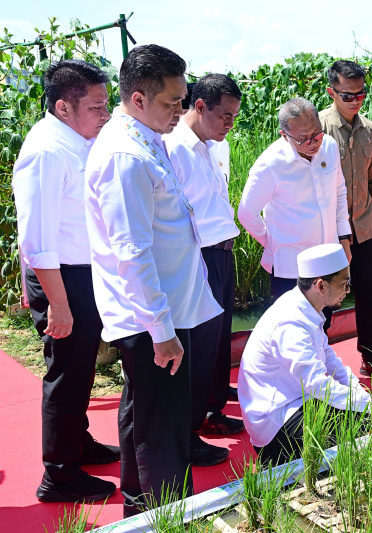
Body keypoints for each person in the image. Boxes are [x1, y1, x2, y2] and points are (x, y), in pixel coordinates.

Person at [84, 44, 222, 517]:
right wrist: (162, 333)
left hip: (163, 309)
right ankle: (165, 518)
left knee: (143, 416)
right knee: (161, 431)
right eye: (171, 102)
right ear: (138, 98)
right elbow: (132, 253)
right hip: (151, 319)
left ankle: (139, 511)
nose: (180, 110)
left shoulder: (144, 134)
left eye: (183, 99)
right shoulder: (126, 155)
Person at [12, 60, 117, 503]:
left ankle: (79, 444)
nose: (105, 114)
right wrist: (57, 302)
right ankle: (59, 475)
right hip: (63, 279)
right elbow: (36, 240)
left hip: (77, 273)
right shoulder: (48, 151)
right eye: (96, 107)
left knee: (81, 368)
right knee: (66, 373)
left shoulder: (76, 137)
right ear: (63, 106)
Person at [164, 74, 244, 467]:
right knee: (197, 346)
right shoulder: (176, 147)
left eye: (234, 115)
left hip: (221, 253)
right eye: (224, 115)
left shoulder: (211, 146)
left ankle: (210, 412)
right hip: (199, 255)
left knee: (216, 342)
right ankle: (188, 432)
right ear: (199, 106)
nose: (230, 123)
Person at [238, 243, 370, 466]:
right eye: (344, 284)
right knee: (361, 427)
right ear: (320, 285)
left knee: (360, 415)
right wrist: (366, 404)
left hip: (297, 401)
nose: (347, 291)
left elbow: (329, 358)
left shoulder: (305, 305)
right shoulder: (291, 323)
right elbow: (316, 382)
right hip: (277, 423)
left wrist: (357, 390)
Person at [238, 98, 351, 308]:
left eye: (317, 133)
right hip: (291, 267)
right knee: (294, 327)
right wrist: (273, 243)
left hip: (328, 259)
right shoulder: (270, 164)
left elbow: (339, 192)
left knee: (325, 322)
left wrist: (344, 238)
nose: (314, 142)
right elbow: (246, 213)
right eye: (303, 139)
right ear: (284, 135)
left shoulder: (330, 147)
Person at [319, 60, 372, 377]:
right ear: (331, 92)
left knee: (367, 296)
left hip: (362, 230)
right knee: (322, 303)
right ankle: (318, 365)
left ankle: (370, 358)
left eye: (361, 94)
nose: (355, 101)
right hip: (327, 234)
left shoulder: (369, 130)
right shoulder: (317, 129)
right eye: (348, 95)